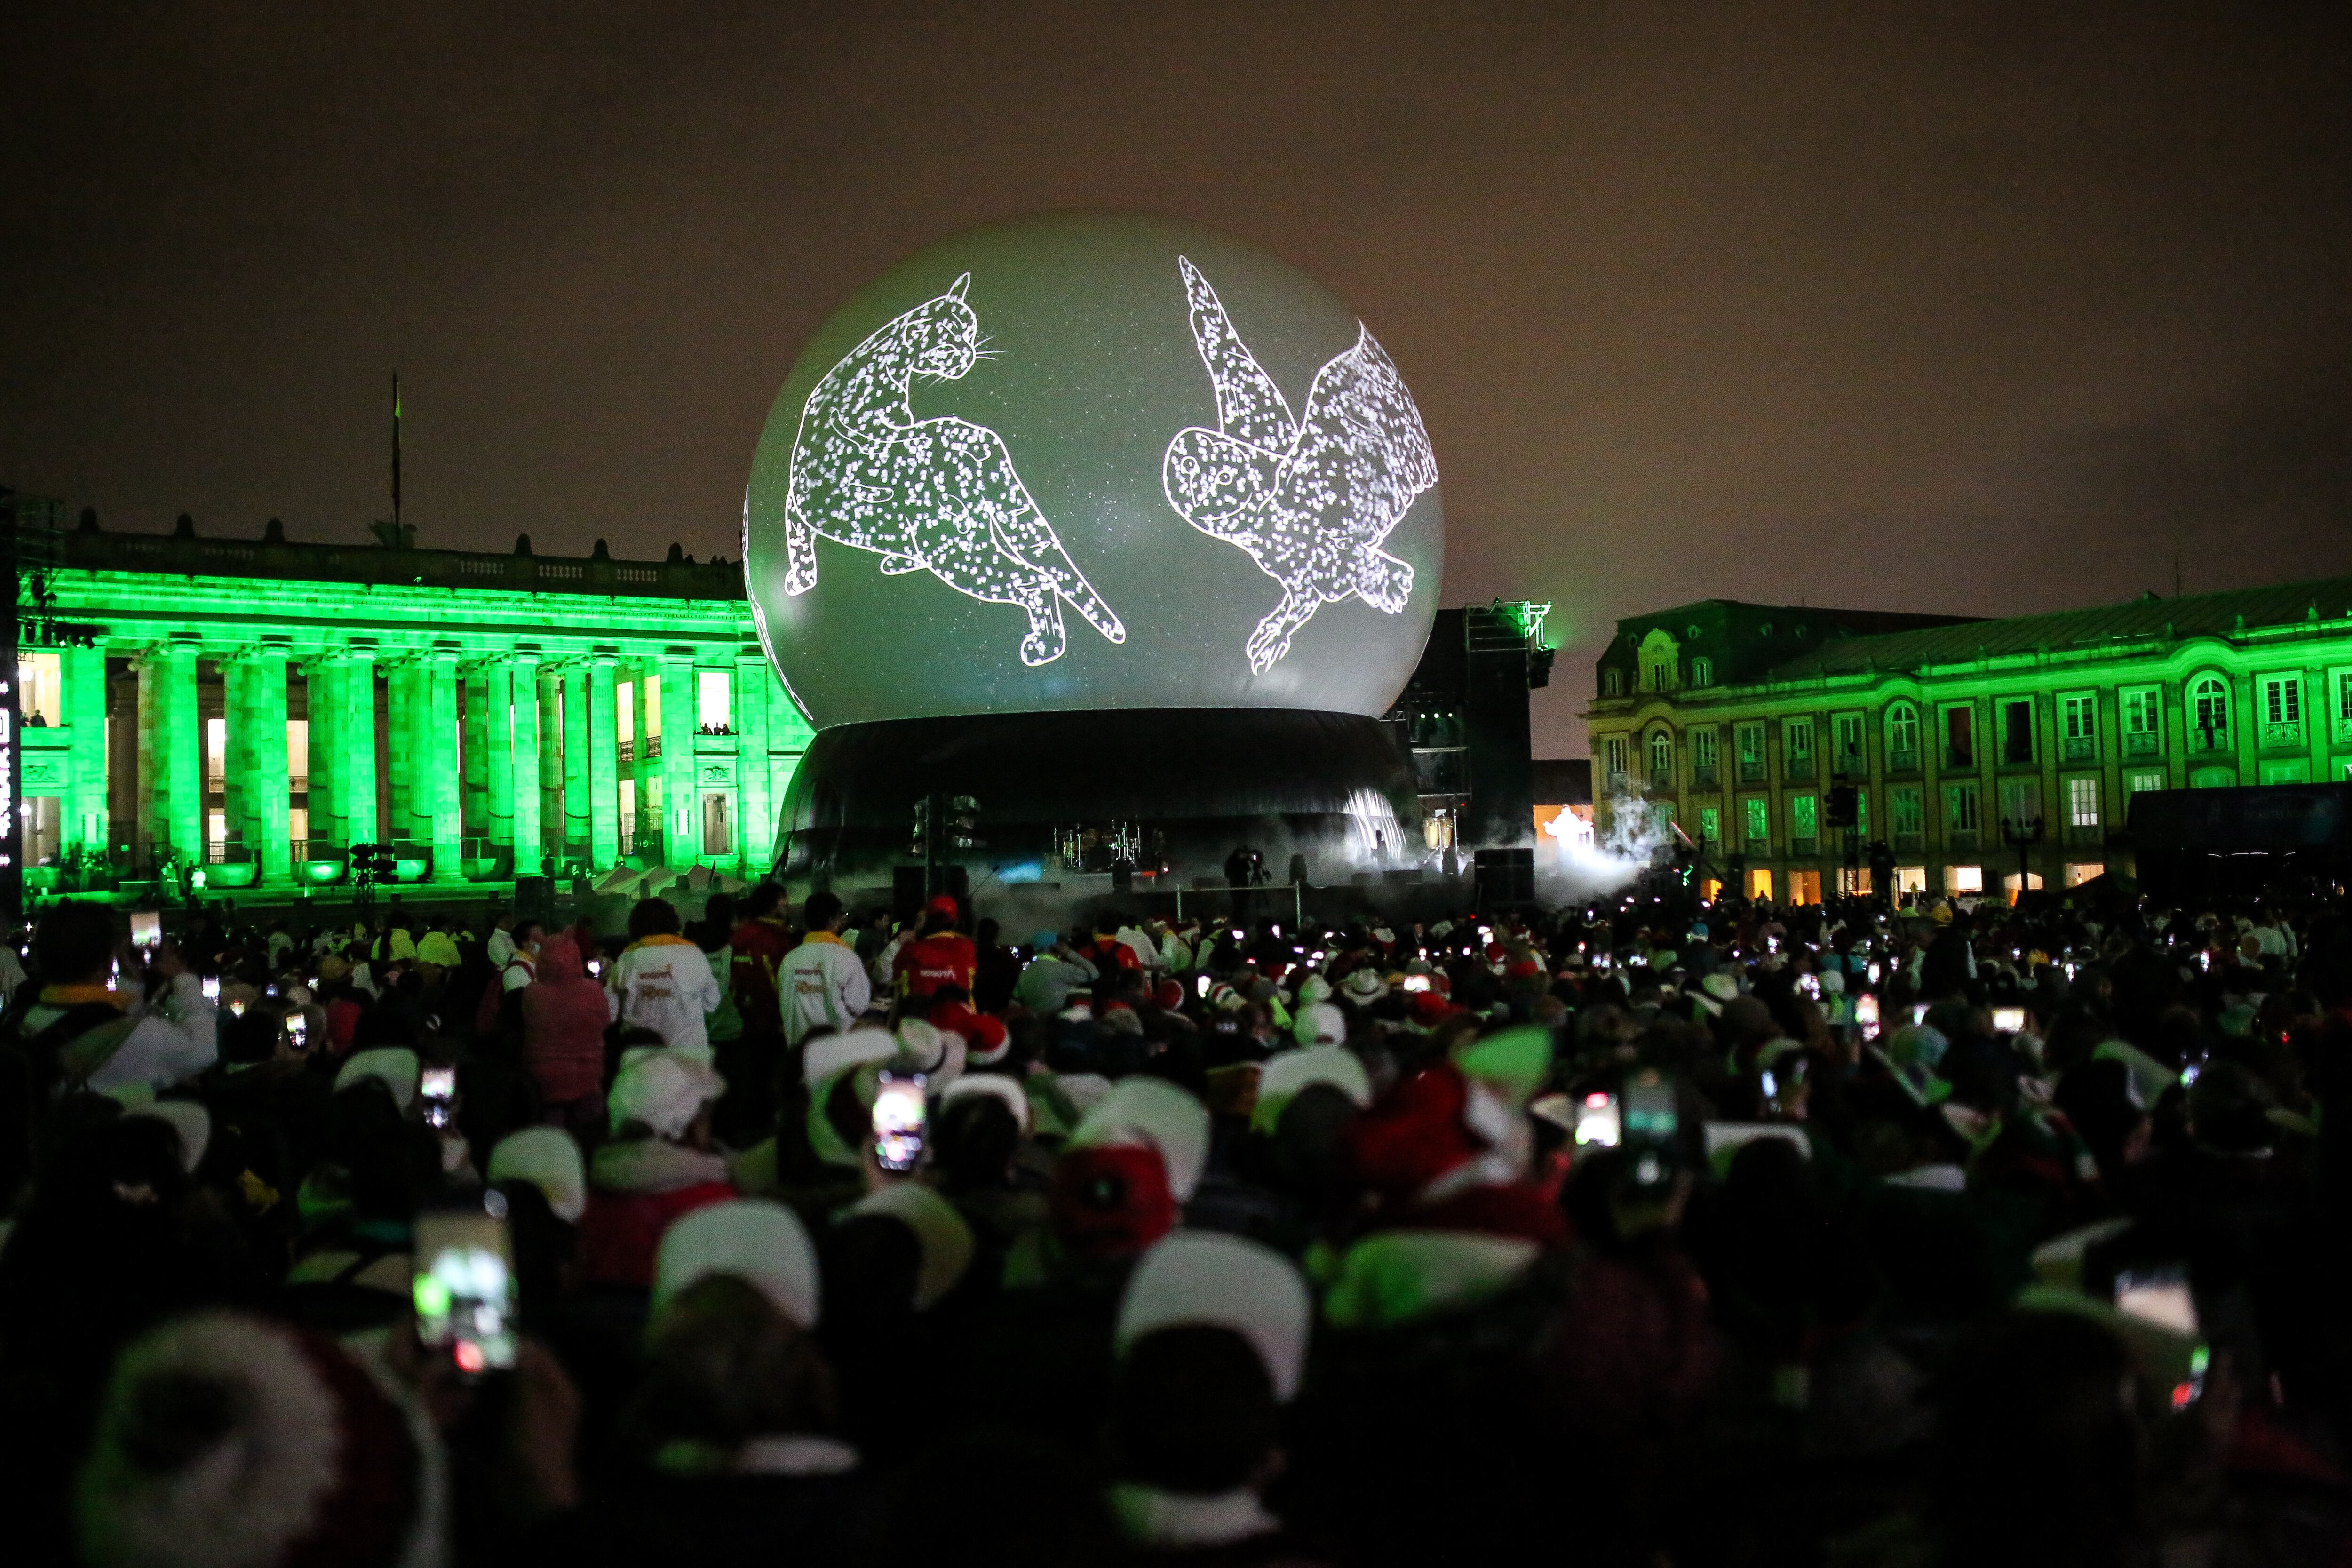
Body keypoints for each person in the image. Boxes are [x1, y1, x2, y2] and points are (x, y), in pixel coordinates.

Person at [609, 898, 723, 1060]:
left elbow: (610, 1012)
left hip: (642, 1061)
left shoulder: (627, 959)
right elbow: (712, 1002)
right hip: (690, 1057)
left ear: (635, 926)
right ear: (674, 923)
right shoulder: (694, 955)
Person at [780, 891, 873, 1046]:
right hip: (836, 1050)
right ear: (833, 920)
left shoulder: (790, 959)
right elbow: (859, 1005)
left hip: (799, 1051)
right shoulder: (846, 957)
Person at [894, 896, 977, 1004]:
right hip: (961, 1016)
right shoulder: (967, 947)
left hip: (919, 1018)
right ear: (955, 922)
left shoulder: (910, 950)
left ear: (926, 920)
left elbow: (895, 985)